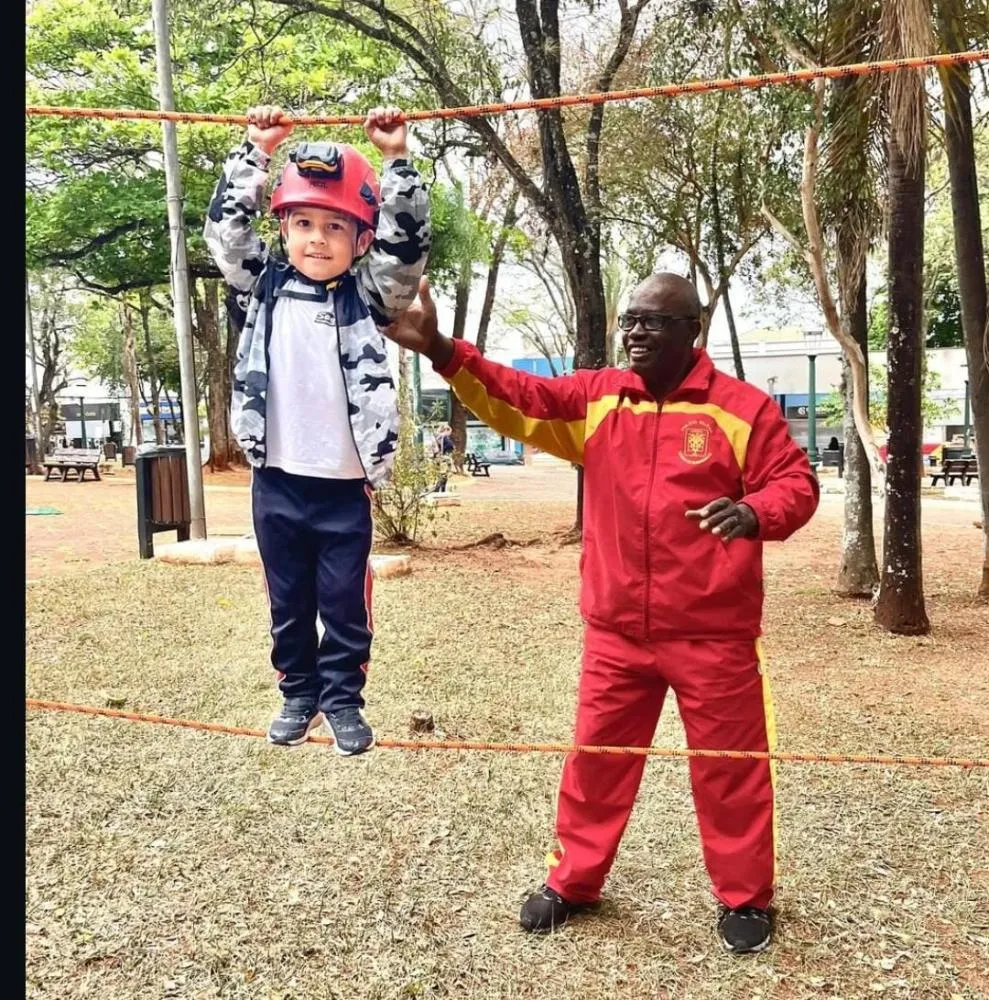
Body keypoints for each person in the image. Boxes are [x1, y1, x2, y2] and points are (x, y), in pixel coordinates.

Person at [386, 273, 819, 953]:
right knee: (596, 761)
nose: (636, 332)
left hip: (713, 634)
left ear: (691, 330)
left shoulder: (742, 410)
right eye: (629, 320)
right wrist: (441, 348)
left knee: (729, 765)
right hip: (617, 632)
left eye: (654, 321)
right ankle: (575, 881)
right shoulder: (598, 401)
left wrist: (752, 510)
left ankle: (744, 897)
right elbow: (517, 396)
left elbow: (794, 482)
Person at [204, 104, 430, 755]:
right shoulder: (262, 286)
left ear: (361, 240)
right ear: (283, 229)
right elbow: (225, 236)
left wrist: (395, 161)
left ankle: (341, 701)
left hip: (342, 487)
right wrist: (255, 149)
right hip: (276, 480)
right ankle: (299, 693)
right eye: (302, 222)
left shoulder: (370, 295)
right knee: (288, 601)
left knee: (344, 605)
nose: (316, 238)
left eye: (335, 227)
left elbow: (406, 248)